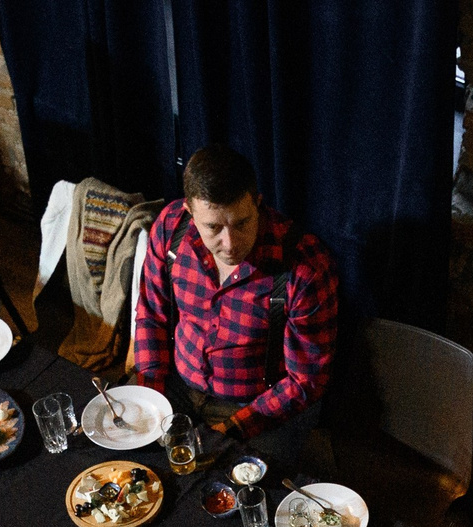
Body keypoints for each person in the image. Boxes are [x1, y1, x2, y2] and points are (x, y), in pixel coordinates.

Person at [129, 144, 340, 470]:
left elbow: (304, 381)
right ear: (189, 212)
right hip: (179, 385)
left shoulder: (305, 268)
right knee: (130, 461)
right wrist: (150, 396)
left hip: (259, 408)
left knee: (233, 491)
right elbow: (151, 316)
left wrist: (233, 428)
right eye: (213, 227)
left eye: (241, 223)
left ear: (257, 203)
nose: (230, 243)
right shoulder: (170, 227)